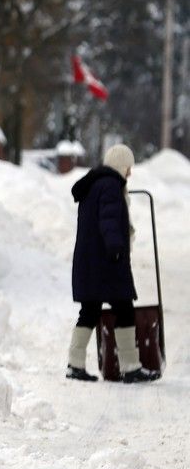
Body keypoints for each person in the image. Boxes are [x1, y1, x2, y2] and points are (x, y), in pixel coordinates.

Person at [67, 143, 160, 383]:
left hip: (91, 261)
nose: (130, 172)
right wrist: (116, 248)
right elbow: (108, 219)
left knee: (90, 310)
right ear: (121, 165)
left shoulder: (96, 184)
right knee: (124, 310)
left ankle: (74, 364)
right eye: (128, 167)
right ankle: (130, 367)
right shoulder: (110, 186)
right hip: (107, 261)